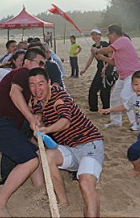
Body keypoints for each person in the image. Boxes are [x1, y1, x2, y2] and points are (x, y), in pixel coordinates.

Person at [0, 47, 48, 216]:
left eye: (44, 64)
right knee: (30, 160)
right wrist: (30, 118)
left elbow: (29, 106)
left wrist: (35, 116)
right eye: (40, 63)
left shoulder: (28, 82)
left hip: (5, 125)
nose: (42, 67)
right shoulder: (23, 72)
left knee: (36, 153)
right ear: (27, 62)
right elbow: (14, 92)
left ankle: (39, 192)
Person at [29, 68, 104, 216]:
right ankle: (63, 202)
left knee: (85, 183)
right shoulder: (37, 99)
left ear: (49, 83)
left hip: (89, 144)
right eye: (32, 85)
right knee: (46, 156)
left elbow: (65, 122)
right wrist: (37, 119)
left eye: (41, 84)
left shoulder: (59, 97)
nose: (37, 89)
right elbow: (39, 112)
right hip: (69, 148)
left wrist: (46, 130)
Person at [96, 25, 140, 129]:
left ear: (114, 34)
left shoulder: (123, 40)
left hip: (132, 74)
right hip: (123, 76)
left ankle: (137, 122)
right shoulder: (118, 46)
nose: (108, 36)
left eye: (109, 34)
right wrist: (102, 57)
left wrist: (97, 50)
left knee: (125, 97)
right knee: (114, 98)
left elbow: (107, 50)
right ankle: (116, 121)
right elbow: (114, 62)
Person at [81, 29, 111, 113]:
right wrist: (85, 69)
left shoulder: (105, 44)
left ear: (100, 35)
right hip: (99, 69)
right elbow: (91, 59)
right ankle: (93, 108)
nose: (94, 36)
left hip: (108, 69)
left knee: (104, 91)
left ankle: (106, 109)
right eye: (93, 35)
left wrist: (105, 67)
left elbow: (111, 57)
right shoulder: (93, 47)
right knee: (93, 90)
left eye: (96, 34)